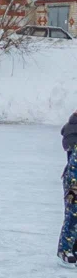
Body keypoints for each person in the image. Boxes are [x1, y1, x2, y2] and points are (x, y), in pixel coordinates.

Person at [59, 113, 77, 266]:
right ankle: (65, 249)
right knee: (73, 214)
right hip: (74, 181)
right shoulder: (72, 130)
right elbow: (73, 161)